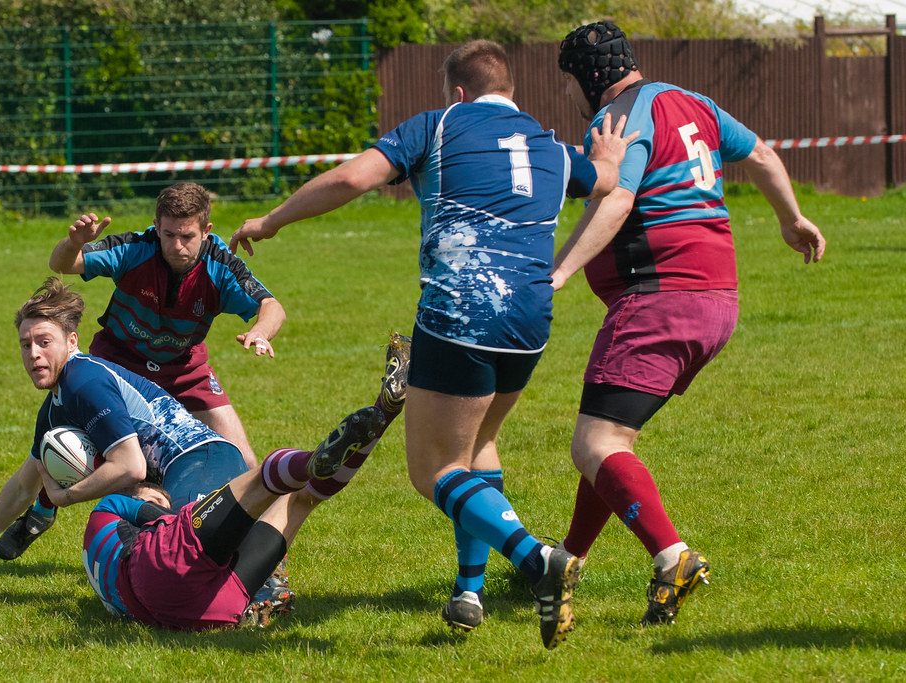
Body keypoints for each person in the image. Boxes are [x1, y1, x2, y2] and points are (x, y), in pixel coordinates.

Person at [228, 39, 635, 649]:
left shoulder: (437, 124)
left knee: (433, 470)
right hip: (530, 315)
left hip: (461, 311)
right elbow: (603, 181)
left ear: (458, 92)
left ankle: (537, 561)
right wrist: (608, 155)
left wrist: (271, 220)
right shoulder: (550, 145)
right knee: (479, 445)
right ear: (511, 91)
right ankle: (469, 592)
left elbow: (351, 177)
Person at [552, 21, 826, 627]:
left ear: (585, 77)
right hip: (716, 300)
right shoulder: (693, 102)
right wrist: (791, 219)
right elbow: (759, 153)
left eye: (568, 83)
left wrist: (560, 272)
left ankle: (671, 556)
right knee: (612, 442)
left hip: (659, 299)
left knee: (595, 444)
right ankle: (567, 558)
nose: (569, 96)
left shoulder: (616, 122)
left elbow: (616, 200)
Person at [0, 276, 409, 588]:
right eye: (26, 344)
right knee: (270, 514)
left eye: (44, 342)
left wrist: (63, 499)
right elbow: (27, 478)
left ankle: (268, 579)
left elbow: (130, 466)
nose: (34, 354)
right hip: (190, 465)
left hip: (197, 459)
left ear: (71, 341)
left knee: (203, 567)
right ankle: (365, 426)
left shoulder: (85, 379)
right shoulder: (57, 402)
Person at [67, 400, 387, 632]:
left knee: (301, 502)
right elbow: (159, 515)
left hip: (209, 613)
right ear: (139, 494)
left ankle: (382, 413)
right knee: (262, 480)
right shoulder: (108, 508)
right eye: (157, 497)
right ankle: (315, 459)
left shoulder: (104, 571)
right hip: (159, 569)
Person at [49, 181, 285, 470]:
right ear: (156, 227)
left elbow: (271, 306)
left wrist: (260, 331)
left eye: (187, 236)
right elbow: (62, 264)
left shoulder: (220, 265)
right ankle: (44, 504)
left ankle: (244, 517)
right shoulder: (135, 248)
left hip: (184, 369)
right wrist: (74, 243)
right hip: (119, 364)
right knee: (71, 448)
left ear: (206, 231)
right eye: (168, 234)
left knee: (244, 462)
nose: (176, 246)